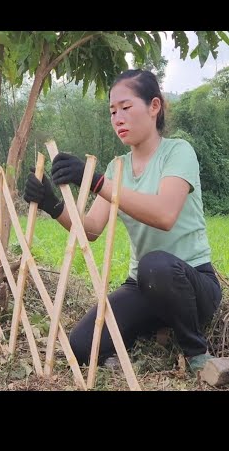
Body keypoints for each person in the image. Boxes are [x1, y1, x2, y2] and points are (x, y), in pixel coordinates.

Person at [23, 69, 221, 373]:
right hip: (143, 286)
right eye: (112, 111)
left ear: (154, 106)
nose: (118, 118)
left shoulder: (178, 152)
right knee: (80, 346)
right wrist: (52, 203)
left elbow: (164, 215)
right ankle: (151, 330)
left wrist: (98, 183)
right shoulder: (118, 167)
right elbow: (90, 230)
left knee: (156, 265)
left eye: (126, 108)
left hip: (192, 283)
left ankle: (197, 354)